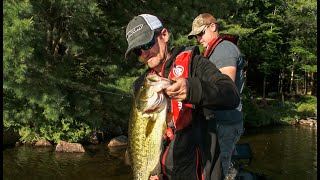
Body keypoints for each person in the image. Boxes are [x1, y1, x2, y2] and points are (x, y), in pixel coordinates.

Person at [125, 14, 240, 180]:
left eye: (147, 43)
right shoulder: (141, 85)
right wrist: (152, 173)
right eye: (138, 50)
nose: (144, 53)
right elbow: (140, 140)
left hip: (200, 171)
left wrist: (193, 89)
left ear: (164, 35)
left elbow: (231, 95)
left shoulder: (195, 64)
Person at [188, 13, 246, 179]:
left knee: (217, 170)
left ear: (213, 27)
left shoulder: (223, 49)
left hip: (225, 123)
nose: (199, 39)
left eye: (201, 33)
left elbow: (224, 91)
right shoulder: (215, 51)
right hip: (219, 123)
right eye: (196, 36)